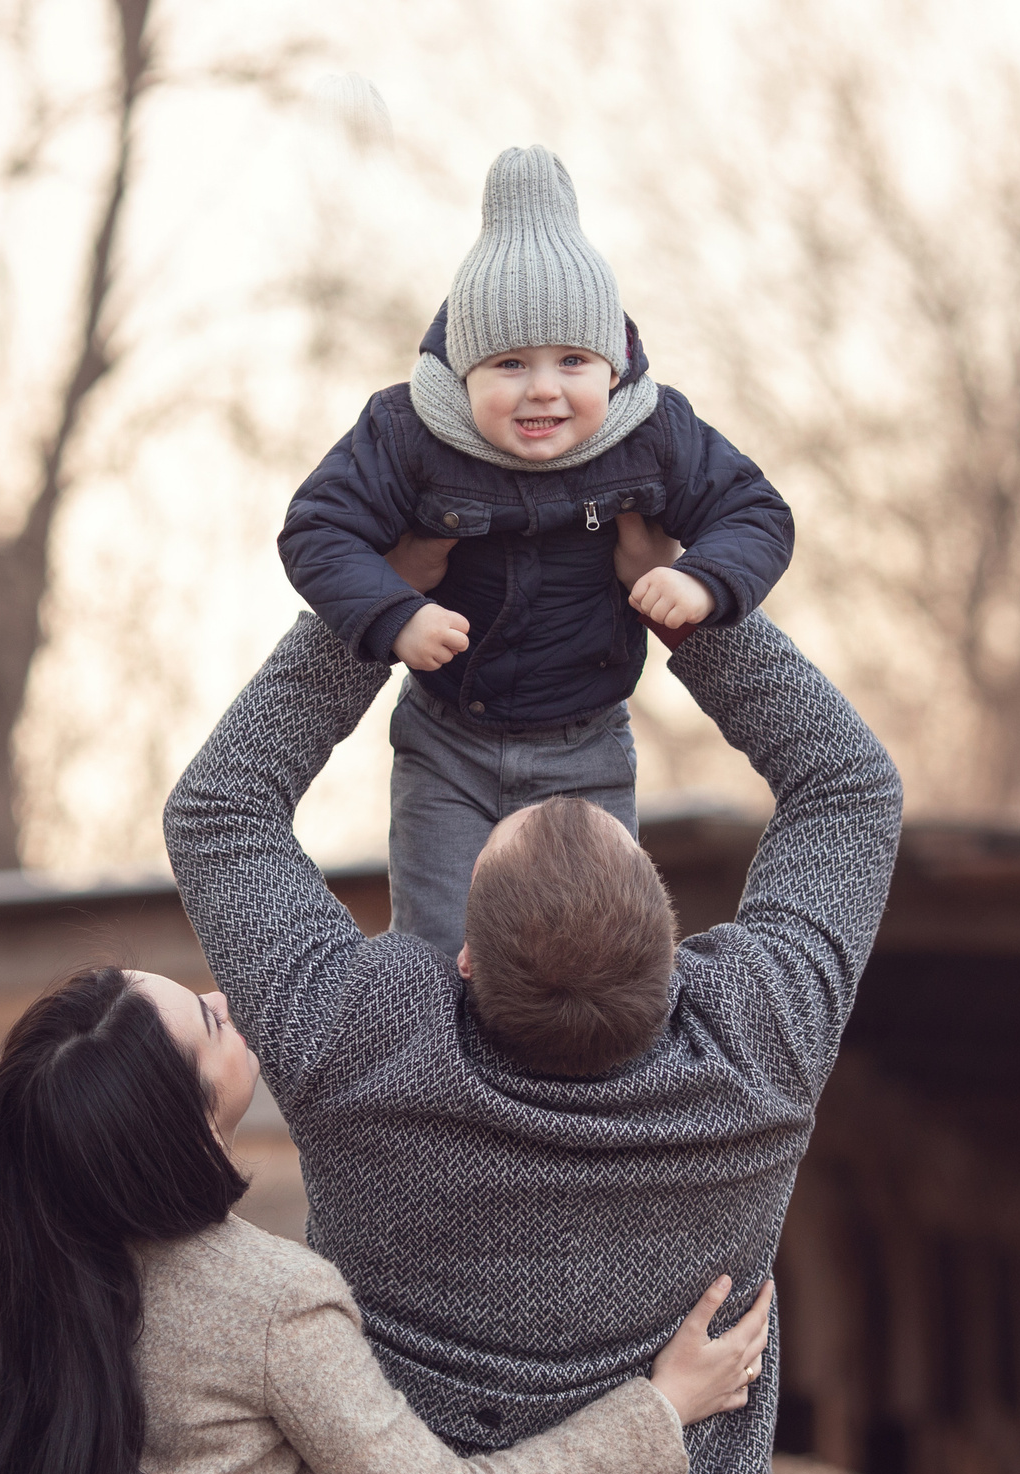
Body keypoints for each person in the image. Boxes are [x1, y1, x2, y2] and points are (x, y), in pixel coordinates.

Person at [164, 599, 902, 1474]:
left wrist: (373, 603)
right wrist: (692, 606)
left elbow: (219, 811)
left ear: (462, 961)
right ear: (676, 949)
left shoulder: (360, 1045)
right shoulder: (756, 1048)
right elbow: (853, 789)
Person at [0, 964, 775, 1474]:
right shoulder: (269, 1302)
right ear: (180, 1121)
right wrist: (662, 1408)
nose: (227, 999)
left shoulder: (10, 1298)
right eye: (211, 1022)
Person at [278, 143, 795, 956]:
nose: (544, 388)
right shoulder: (409, 434)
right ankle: (439, 1077)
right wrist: (393, 613)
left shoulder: (653, 434)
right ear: (463, 368)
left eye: (573, 361)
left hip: (585, 745)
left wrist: (701, 582)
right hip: (448, 739)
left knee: (593, 950)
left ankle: (592, 1078)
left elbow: (756, 510)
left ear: (613, 364)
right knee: (440, 953)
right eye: (510, 363)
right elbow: (316, 526)